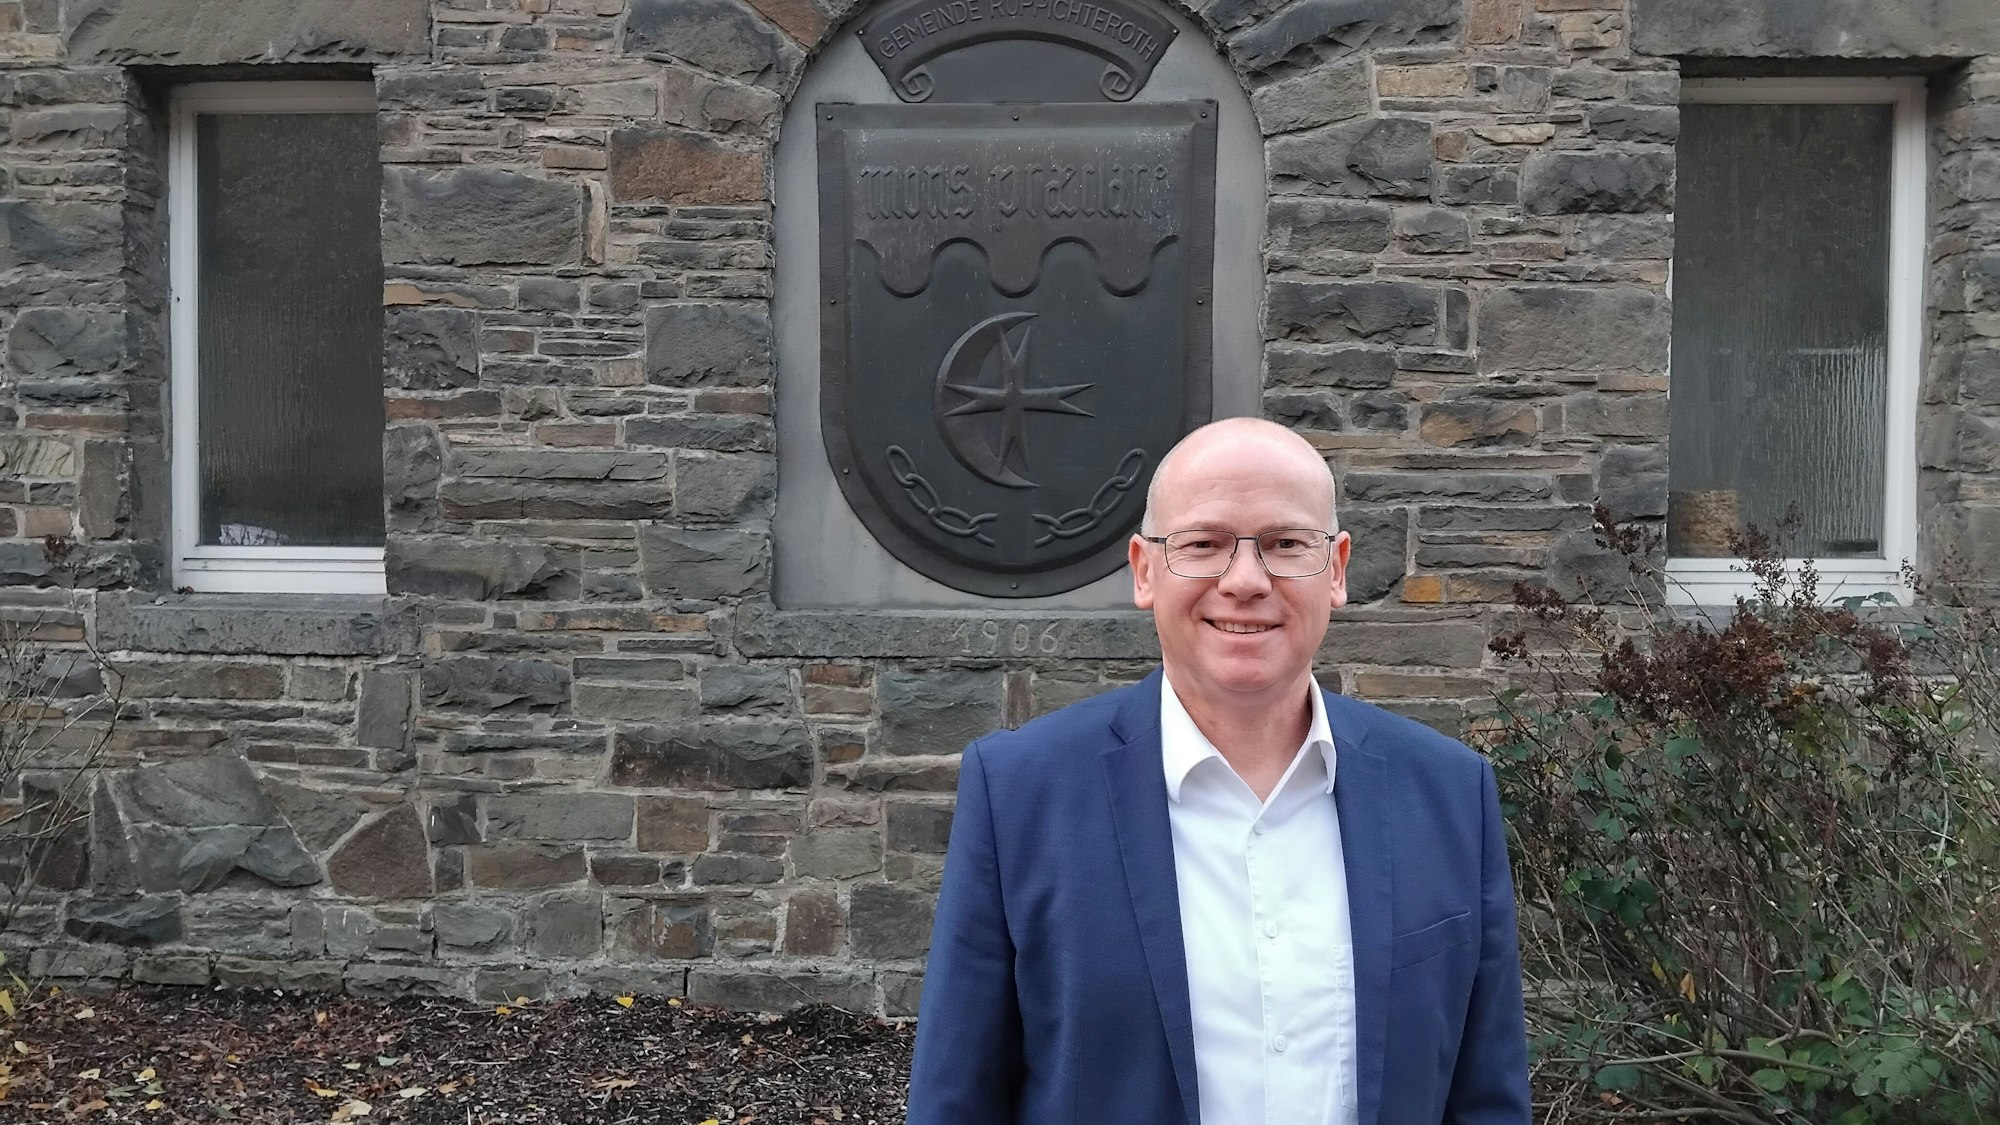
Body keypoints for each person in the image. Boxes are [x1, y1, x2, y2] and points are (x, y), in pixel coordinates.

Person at [906, 417, 1530, 1125]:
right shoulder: (1019, 791)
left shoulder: (1450, 794)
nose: (1244, 581)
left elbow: (1488, 1100)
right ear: (1144, 569)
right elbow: (955, 1102)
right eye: (1203, 544)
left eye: (1284, 544)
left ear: (1337, 568)